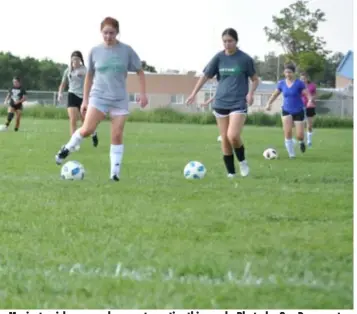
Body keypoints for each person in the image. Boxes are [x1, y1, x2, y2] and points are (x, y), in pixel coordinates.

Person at [55, 17, 148, 181]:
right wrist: (85, 100)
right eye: (105, 32)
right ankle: (67, 147)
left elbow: (140, 71)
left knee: (117, 134)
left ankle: (114, 174)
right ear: (101, 32)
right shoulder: (95, 51)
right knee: (87, 130)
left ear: (117, 33)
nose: (108, 36)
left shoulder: (126, 51)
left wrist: (143, 93)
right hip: (98, 96)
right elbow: (89, 76)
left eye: (112, 33)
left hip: (119, 98)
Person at [186, 28, 259, 178]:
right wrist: (193, 93)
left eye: (230, 41)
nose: (227, 44)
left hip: (238, 102)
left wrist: (250, 93)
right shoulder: (218, 58)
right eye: (225, 41)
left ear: (236, 41)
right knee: (224, 138)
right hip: (220, 102)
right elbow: (205, 76)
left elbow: (255, 79)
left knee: (233, 135)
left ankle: (243, 162)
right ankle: (231, 174)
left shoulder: (245, 59)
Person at [265, 63, 313, 158]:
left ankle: (301, 142)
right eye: (286, 72)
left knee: (300, 135)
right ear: (284, 72)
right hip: (286, 110)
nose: (288, 74)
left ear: (294, 73)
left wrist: (310, 100)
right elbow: (275, 94)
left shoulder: (299, 83)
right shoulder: (281, 83)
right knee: (287, 133)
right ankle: (292, 155)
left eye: (290, 72)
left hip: (298, 110)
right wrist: (269, 103)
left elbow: (307, 94)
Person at [58, 50, 99, 151]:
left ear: (81, 60)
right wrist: (60, 93)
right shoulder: (68, 70)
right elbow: (63, 83)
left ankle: (93, 133)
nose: (75, 61)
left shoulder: (85, 70)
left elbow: (92, 82)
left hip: (83, 97)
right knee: (72, 119)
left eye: (77, 59)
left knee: (85, 121)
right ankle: (73, 144)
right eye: (73, 59)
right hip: (72, 94)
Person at [300, 72, 317, 147]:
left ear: (307, 78)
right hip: (300, 107)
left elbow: (315, 95)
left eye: (304, 78)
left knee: (309, 125)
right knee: (301, 124)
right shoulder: (299, 86)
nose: (303, 80)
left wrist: (311, 100)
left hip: (310, 107)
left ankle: (309, 141)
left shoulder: (312, 86)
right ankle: (302, 140)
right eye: (301, 78)